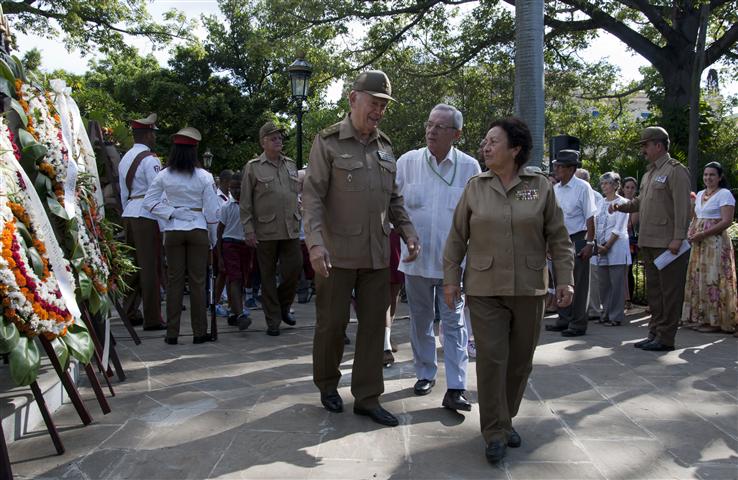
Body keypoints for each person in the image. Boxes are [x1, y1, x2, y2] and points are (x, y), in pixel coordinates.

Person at [443, 117, 573, 464]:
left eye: (493, 141)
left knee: (519, 364)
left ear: (515, 149)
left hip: (529, 288)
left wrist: (565, 279)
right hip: (484, 288)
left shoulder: (540, 187)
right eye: (484, 141)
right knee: (491, 360)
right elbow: (457, 238)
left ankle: (505, 417)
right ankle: (494, 431)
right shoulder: (475, 187)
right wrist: (451, 280)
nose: (485, 147)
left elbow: (559, 239)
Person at [303, 70, 420, 427]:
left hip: (375, 255)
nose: (379, 111)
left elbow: (394, 199)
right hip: (336, 256)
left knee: (374, 328)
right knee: (332, 325)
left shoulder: (385, 146)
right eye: (374, 103)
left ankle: (368, 397)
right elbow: (312, 198)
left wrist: (408, 231)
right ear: (353, 99)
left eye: (384, 105)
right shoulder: (328, 142)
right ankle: (326, 384)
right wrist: (316, 245)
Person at [395, 104, 481, 410]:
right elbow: (394, 205)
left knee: (454, 323)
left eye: (440, 127)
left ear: (455, 134)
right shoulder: (408, 162)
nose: (431, 131)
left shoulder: (470, 168)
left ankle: (457, 386)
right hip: (415, 261)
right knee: (420, 321)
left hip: (452, 266)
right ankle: (425, 373)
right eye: (429, 124)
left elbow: (478, 217)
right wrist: (405, 236)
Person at [611, 126, 691, 351]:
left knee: (670, 293)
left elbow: (683, 207)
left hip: (667, 244)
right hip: (649, 241)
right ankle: (654, 332)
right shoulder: (649, 174)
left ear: (658, 145)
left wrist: (678, 237)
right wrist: (621, 206)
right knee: (655, 293)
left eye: (645, 145)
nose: (643, 150)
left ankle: (666, 338)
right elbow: (639, 203)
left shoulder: (676, 171)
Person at [142, 127, 220, 344]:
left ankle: (172, 333)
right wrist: (213, 239)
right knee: (198, 282)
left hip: (174, 230)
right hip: (198, 229)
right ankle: (199, 332)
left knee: (175, 282)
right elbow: (213, 212)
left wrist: (172, 212)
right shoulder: (204, 176)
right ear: (194, 151)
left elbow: (149, 203)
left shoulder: (163, 175)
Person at [240, 121, 303, 336]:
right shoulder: (253, 166)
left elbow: (296, 195)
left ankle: (283, 306)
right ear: (263, 142)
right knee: (267, 277)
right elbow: (246, 202)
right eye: (274, 138)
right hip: (265, 230)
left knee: (294, 269)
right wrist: (248, 229)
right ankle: (273, 320)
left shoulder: (290, 164)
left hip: (290, 228)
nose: (279, 141)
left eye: (280, 138)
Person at [118, 113, 165, 331]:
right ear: (147, 135)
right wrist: (165, 218)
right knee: (150, 267)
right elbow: (157, 191)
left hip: (129, 212)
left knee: (132, 267)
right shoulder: (150, 159)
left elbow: (123, 191)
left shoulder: (125, 157)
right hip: (147, 215)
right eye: (153, 134)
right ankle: (153, 317)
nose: (154, 138)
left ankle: (130, 310)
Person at [545, 150, 596, 337]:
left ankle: (578, 323)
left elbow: (591, 216)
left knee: (579, 282)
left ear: (572, 169)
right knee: (560, 279)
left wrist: (590, 243)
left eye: (560, 166)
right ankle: (563, 318)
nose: (556, 169)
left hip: (578, 237)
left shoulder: (583, 187)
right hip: (559, 239)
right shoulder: (555, 189)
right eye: (556, 166)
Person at [681, 162, 736, 334]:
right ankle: (701, 317)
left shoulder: (724, 194)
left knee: (714, 278)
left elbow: (726, 221)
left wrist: (703, 234)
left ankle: (716, 321)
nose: (708, 178)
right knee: (699, 278)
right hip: (699, 243)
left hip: (715, 243)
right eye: (705, 175)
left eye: (712, 175)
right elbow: (697, 217)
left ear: (720, 177)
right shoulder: (699, 194)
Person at [594, 172, 631, 326]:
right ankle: (606, 313)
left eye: (607, 183)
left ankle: (615, 316)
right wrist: (597, 244)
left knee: (616, 284)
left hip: (616, 247)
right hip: (601, 245)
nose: (604, 186)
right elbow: (596, 223)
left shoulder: (623, 202)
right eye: (602, 184)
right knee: (604, 284)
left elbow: (619, 228)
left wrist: (607, 245)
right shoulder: (600, 202)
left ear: (616, 185)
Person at [217, 174, 253, 330]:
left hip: (245, 245)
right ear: (229, 188)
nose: (237, 191)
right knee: (235, 279)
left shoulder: (249, 206)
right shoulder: (226, 207)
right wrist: (219, 256)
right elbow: (220, 231)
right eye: (233, 188)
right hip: (230, 244)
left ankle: (233, 310)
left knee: (243, 279)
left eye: (240, 187)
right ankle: (240, 314)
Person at [576, 168, 604, 321]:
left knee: (592, 277)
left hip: (590, 239)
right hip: (576, 238)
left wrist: (591, 241)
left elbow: (595, 218)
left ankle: (593, 309)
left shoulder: (596, 196)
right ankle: (580, 309)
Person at [214, 169, 234, 318]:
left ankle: (231, 302)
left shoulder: (231, 198)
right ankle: (215, 301)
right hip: (218, 239)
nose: (230, 187)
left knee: (229, 273)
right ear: (222, 182)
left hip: (230, 237)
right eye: (228, 183)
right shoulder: (216, 198)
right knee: (221, 272)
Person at [621, 177, 639, 310]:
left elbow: (630, 224)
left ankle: (628, 299)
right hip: (618, 239)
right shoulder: (619, 202)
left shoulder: (635, 204)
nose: (630, 190)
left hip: (629, 240)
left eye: (632, 187)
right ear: (622, 188)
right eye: (627, 187)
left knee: (627, 269)